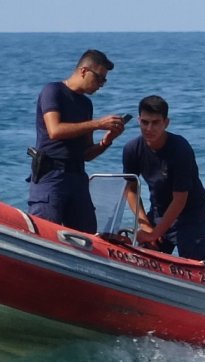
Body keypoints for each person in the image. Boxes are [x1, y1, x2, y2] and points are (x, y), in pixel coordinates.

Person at [27, 49, 126, 233]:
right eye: (99, 78)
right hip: (51, 176)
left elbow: (86, 154)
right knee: (46, 231)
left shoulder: (85, 104)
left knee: (87, 235)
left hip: (77, 177)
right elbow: (55, 131)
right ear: (83, 71)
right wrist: (97, 124)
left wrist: (107, 141)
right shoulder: (53, 91)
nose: (101, 85)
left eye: (104, 80)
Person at [123, 95, 205, 260]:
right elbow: (131, 190)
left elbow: (180, 199)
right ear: (138, 120)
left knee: (196, 264)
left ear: (166, 122)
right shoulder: (132, 149)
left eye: (155, 122)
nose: (149, 128)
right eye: (145, 122)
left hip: (189, 214)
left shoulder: (180, 149)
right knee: (144, 258)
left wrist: (156, 233)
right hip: (158, 210)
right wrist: (145, 224)